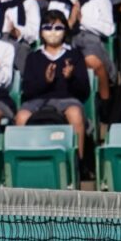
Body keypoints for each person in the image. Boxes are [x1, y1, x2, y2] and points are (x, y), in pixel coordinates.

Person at [16, 9, 91, 159]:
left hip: (67, 100)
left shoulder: (74, 55)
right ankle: (24, 160)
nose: (53, 32)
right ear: (41, 31)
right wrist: (46, 81)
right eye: (48, 28)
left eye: (58, 28)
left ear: (65, 31)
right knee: (21, 116)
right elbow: (27, 90)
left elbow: (84, 91)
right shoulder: (33, 57)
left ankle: (78, 162)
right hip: (37, 102)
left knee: (75, 114)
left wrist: (71, 77)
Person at [49, 0, 116, 100]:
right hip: (64, 41)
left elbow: (109, 29)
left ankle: (106, 100)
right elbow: (50, 30)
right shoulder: (57, 1)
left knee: (92, 60)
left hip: (90, 39)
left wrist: (82, 20)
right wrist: (70, 22)